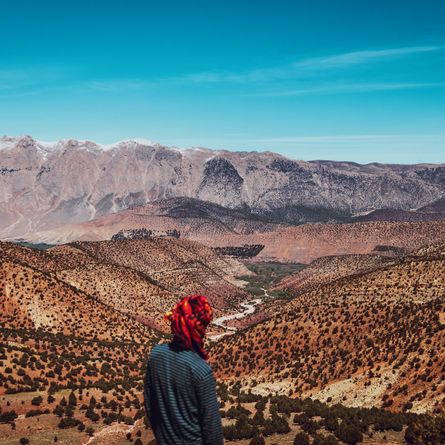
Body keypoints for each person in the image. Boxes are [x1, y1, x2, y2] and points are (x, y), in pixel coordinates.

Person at [144, 294, 224, 445]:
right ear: (200, 329)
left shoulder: (155, 355)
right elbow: (212, 433)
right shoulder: (200, 371)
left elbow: (150, 407)